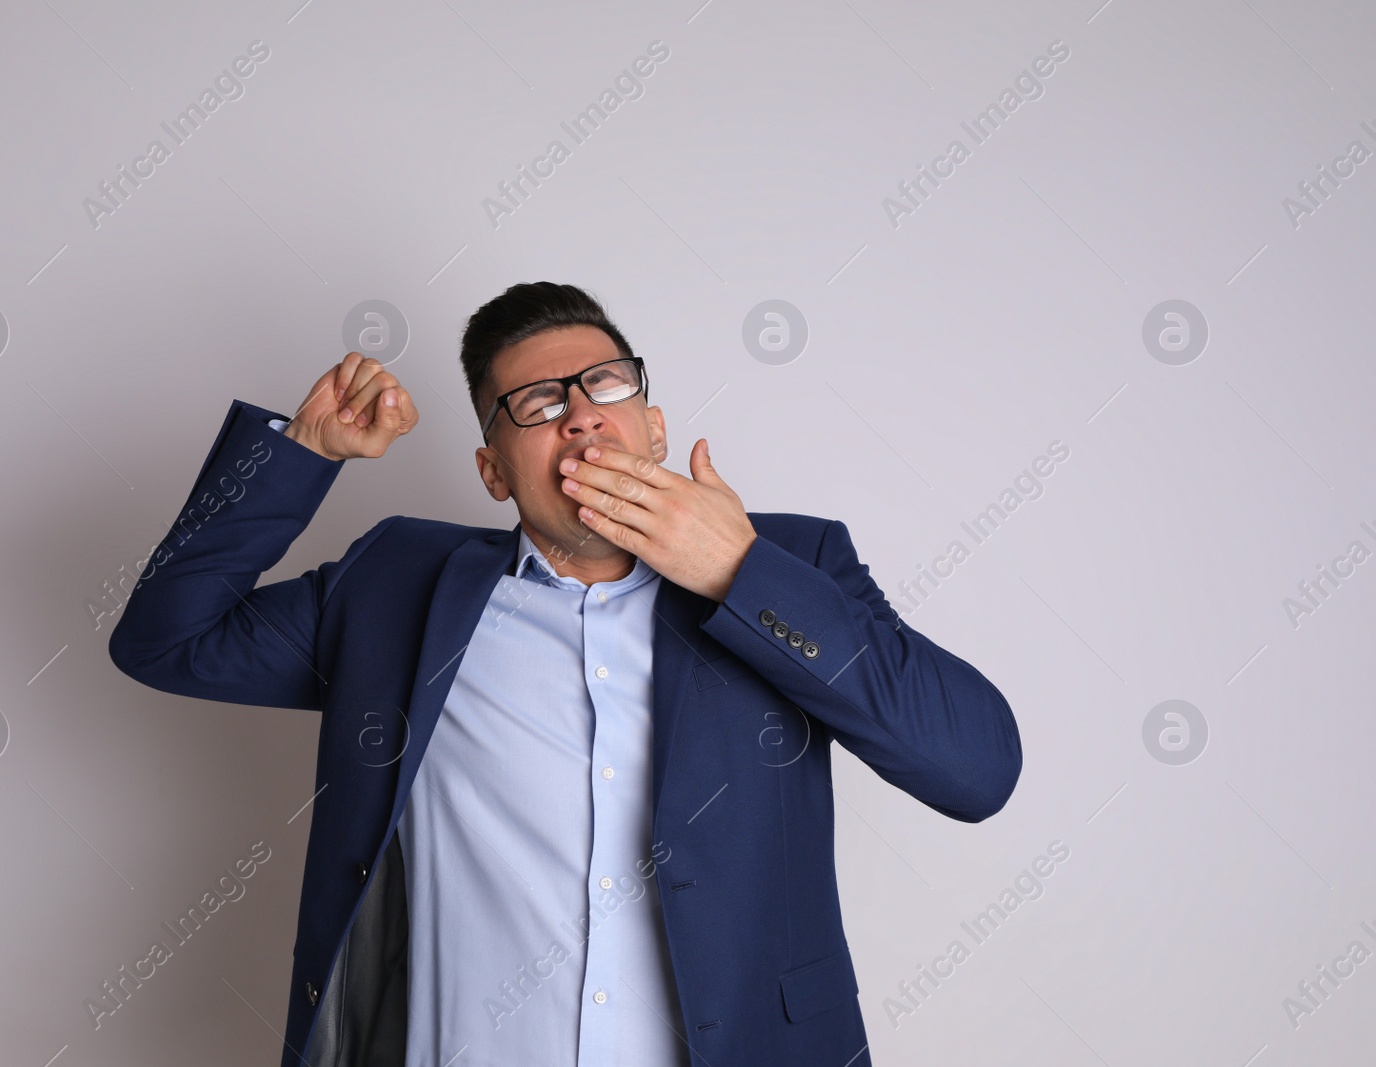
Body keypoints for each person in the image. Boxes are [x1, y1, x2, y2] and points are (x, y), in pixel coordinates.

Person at [108, 282, 1023, 1067]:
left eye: (606, 385)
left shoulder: (793, 561)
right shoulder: (396, 583)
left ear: (652, 427)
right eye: (536, 405)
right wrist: (303, 451)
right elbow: (165, 639)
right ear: (492, 472)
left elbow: (976, 770)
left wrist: (739, 572)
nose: (580, 412)